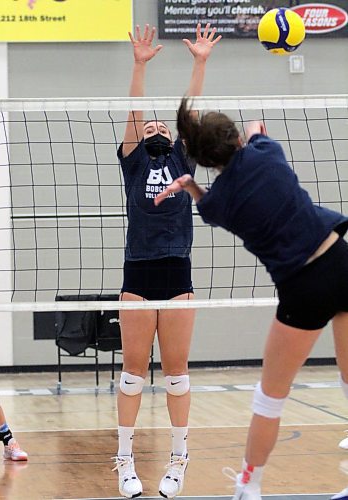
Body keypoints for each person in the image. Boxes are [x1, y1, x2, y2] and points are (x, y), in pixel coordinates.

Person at [155, 97, 348, 500]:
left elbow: (204, 201)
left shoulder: (218, 206)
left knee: (271, 397)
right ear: (237, 138)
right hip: (340, 258)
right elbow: (259, 130)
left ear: (206, 161)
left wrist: (188, 183)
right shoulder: (266, 153)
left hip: (303, 287)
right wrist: (250, 130)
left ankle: (249, 486)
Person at [113, 25, 221, 499]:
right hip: (138, 274)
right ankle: (125, 462)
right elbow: (136, 113)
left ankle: (179, 461)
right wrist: (139, 64)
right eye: (150, 126)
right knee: (133, 376)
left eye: (162, 126)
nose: (156, 128)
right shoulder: (134, 161)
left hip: (177, 274)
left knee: (176, 375)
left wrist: (200, 62)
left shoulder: (182, 158)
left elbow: (189, 113)